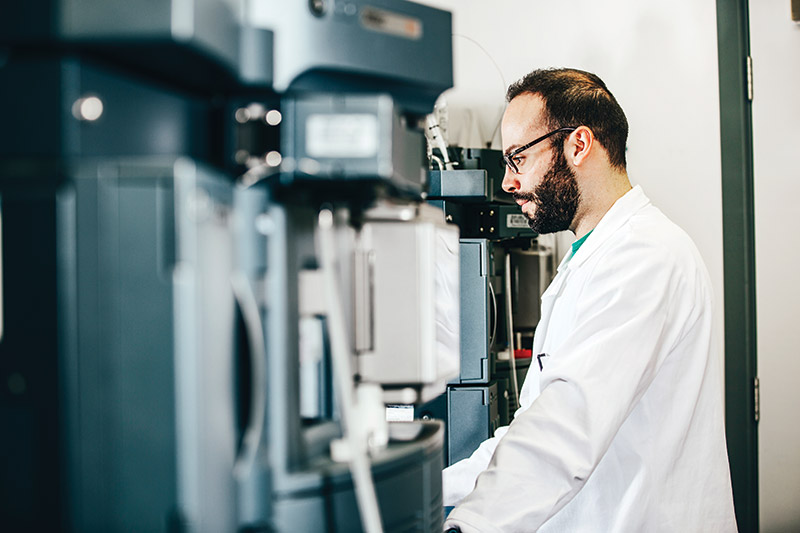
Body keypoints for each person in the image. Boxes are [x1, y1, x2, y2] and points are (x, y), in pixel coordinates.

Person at [442, 68, 737, 532]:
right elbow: (532, 428)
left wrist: (470, 525)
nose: (507, 183)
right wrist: (436, 490)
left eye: (517, 158)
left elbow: (566, 427)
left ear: (578, 145)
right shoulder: (593, 256)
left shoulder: (645, 256)